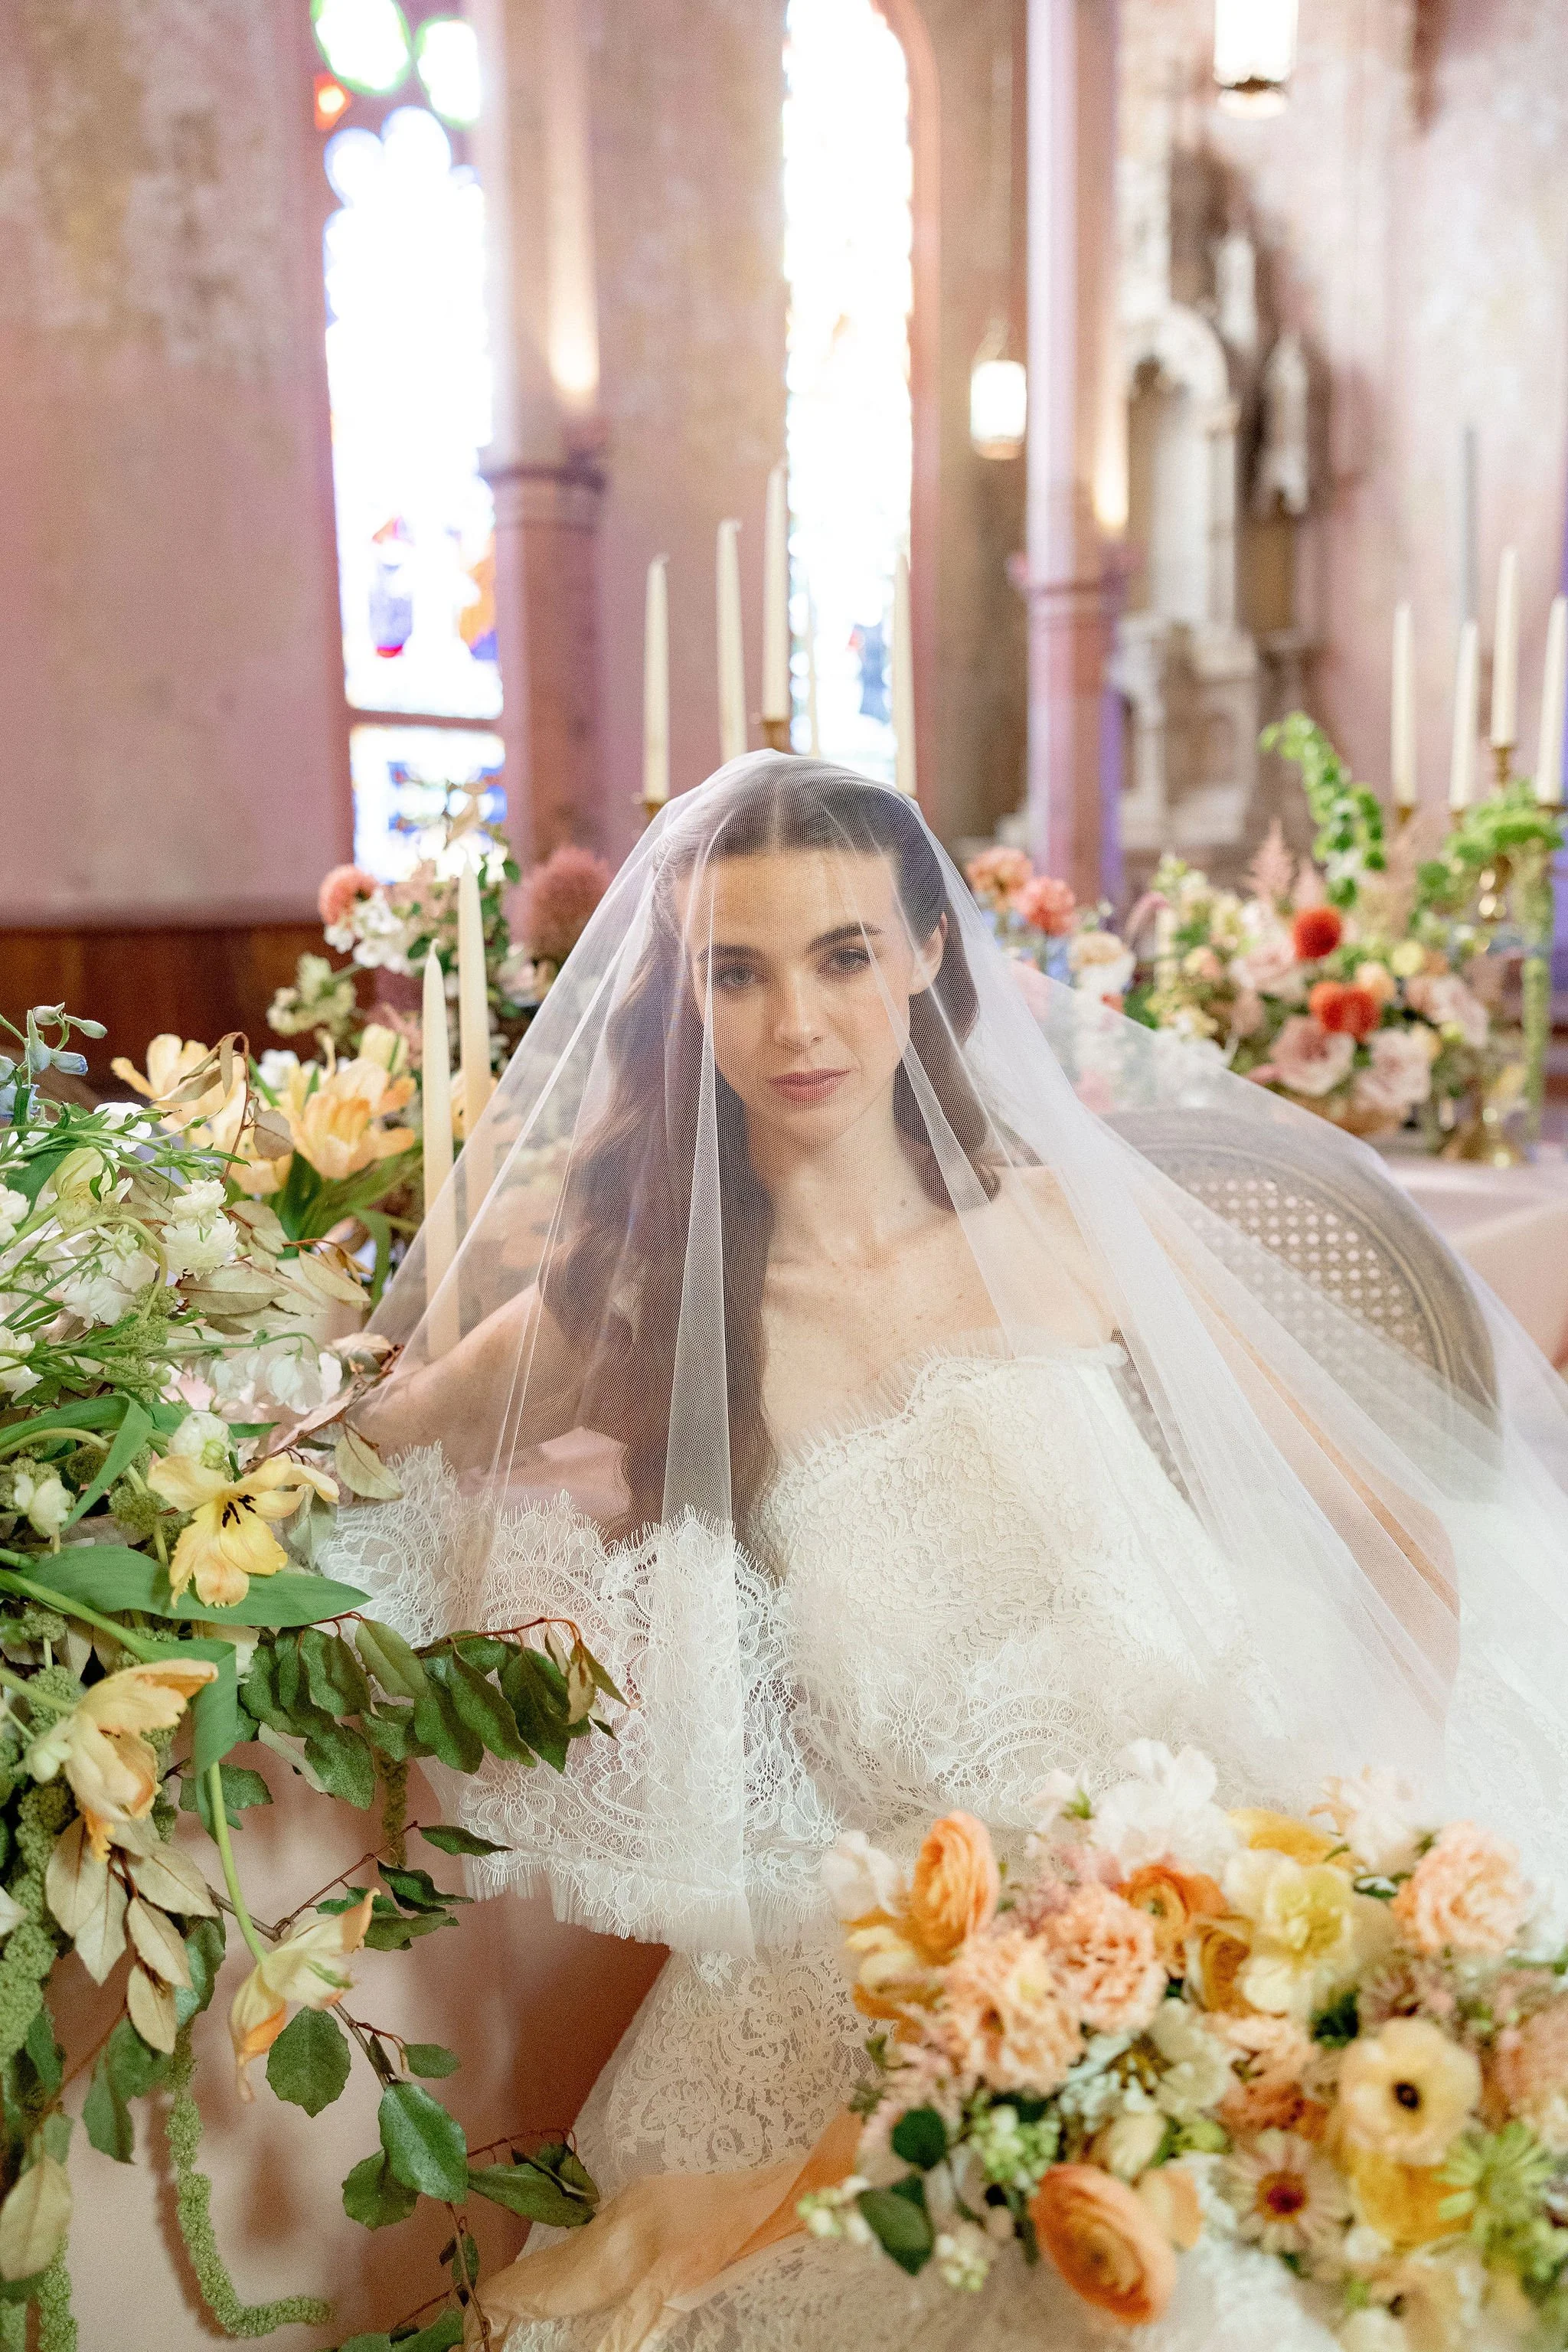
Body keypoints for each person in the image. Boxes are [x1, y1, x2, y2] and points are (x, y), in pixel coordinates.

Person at [334, 756, 1568, 2350]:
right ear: (687, 1000)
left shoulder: (1062, 1228)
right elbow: (368, 1442)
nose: (797, 1025)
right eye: (739, 971)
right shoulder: (643, 1313)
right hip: (912, 1952)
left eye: (844, 955)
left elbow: (1393, 1527)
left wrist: (1345, 1845)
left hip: (1256, 1841)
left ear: (927, 949)